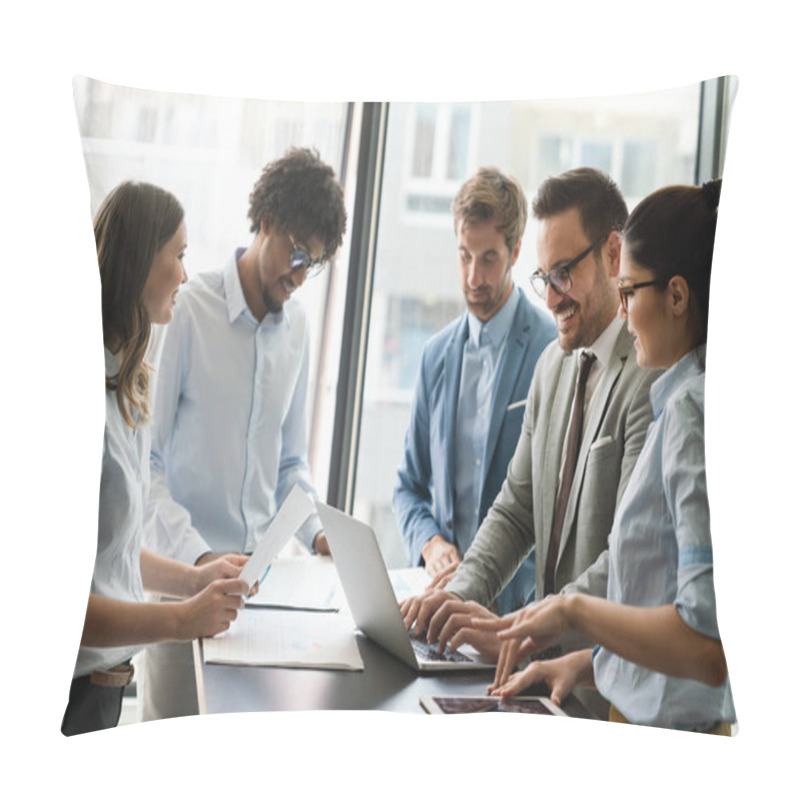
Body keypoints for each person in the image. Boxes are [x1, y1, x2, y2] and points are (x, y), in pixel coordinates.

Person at [479, 180, 736, 734]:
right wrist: (587, 664)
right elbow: (651, 592)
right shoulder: (679, 403)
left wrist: (572, 612)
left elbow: (709, 646)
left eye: (630, 293)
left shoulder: (690, 414)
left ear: (676, 296)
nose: (623, 310)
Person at [401, 168, 659, 664]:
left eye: (564, 273)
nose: (552, 297)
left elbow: (625, 559)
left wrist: (520, 629)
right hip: (534, 670)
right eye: (544, 278)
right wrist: (458, 596)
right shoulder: (551, 367)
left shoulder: (647, 375)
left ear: (612, 254)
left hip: (597, 681)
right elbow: (516, 510)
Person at [139, 147, 348, 721]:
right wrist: (200, 557)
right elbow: (147, 465)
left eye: (316, 263)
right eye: (296, 252)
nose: (300, 275)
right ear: (266, 221)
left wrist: (319, 532)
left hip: (260, 597)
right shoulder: (188, 311)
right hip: (180, 587)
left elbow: (289, 465)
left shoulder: (298, 328)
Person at [62, 181, 249, 737]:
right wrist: (179, 619)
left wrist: (193, 578)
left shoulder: (126, 385)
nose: (187, 275)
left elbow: (110, 550)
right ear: (144, 261)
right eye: (180, 255)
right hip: (71, 698)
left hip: (104, 691)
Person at [393, 167, 556, 614]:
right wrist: (430, 543)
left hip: (516, 613)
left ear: (516, 252)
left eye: (488, 259)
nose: (473, 277)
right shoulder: (435, 355)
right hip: (441, 606)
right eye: (464, 256)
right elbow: (408, 487)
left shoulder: (553, 349)